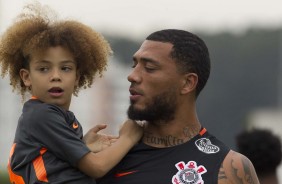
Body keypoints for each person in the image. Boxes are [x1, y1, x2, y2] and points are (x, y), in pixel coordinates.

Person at [0, 2, 142, 184]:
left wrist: (82, 146)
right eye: (43, 69)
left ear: (77, 77)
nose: (56, 76)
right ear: (26, 77)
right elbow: (96, 167)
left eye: (65, 68)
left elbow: (53, 165)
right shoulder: (42, 115)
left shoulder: (60, 117)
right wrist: (129, 136)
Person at [97, 29, 260, 184]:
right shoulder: (103, 160)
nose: (132, 76)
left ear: (188, 83)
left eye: (149, 68)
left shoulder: (229, 167)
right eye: (135, 66)